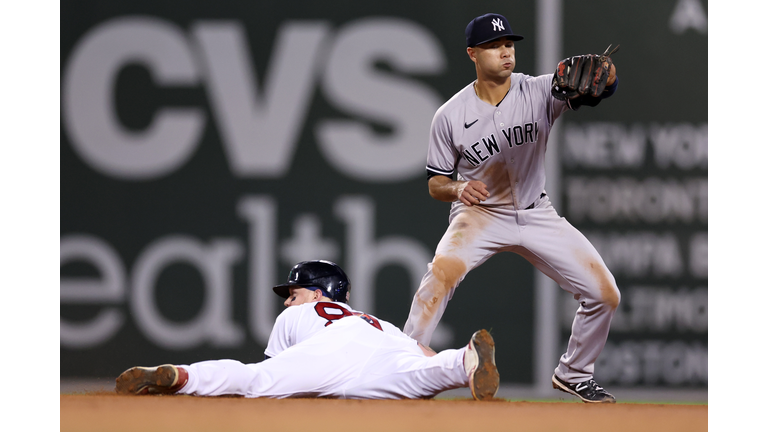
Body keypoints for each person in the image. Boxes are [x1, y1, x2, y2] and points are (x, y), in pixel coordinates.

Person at [402, 13, 621, 403]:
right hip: (481, 215)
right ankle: (402, 366)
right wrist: (457, 187)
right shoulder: (450, 115)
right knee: (441, 273)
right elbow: (436, 183)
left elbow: (592, 89)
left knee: (605, 294)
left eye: (509, 44)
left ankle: (574, 372)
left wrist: (606, 79)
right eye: (493, 46)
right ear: (472, 53)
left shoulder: (539, 91)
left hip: (537, 213)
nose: (505, 52)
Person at [115, 260, 500, 401]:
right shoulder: (375, 321)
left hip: (329, 349)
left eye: (293, 292)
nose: (286, 300)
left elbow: (277, 372)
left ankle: (183, 377)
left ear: (318, 293)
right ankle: (466, 360)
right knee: (425, 376)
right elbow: (422, 354)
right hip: (382, 349)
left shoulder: (299, 314)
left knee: (254, 380)